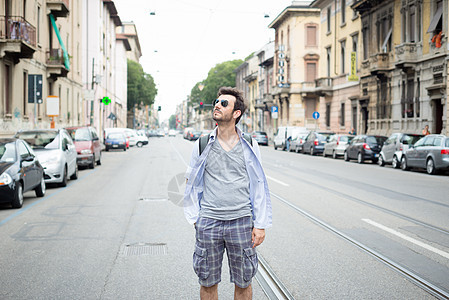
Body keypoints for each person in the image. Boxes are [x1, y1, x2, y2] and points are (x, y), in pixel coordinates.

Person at [184, 87, 272, 300]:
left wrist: (259, 224)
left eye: (224, 103)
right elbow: (190, 183)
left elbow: (258, 184)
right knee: (207, 282)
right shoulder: (202, 143)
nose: (217, 105)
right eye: (217, 101)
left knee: (244, 283)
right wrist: (196, 219)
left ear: (236, 114)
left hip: (241, 222)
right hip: (209, 222)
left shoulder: (250, 144)